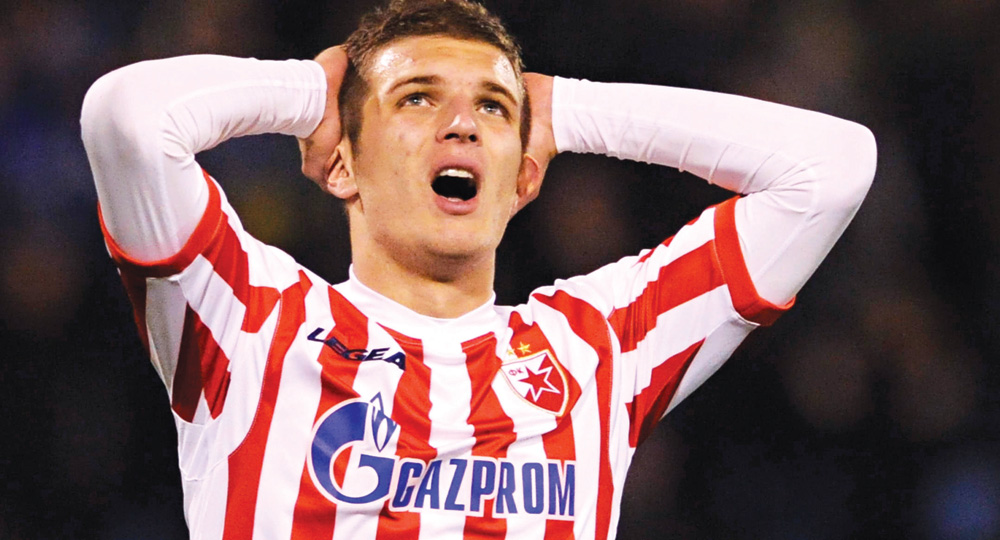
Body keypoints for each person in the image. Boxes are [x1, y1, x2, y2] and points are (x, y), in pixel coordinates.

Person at [80, 0, 876, 538]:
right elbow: (128, 120)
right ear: (343, 163)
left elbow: (831, 170)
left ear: (523, 177)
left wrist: (569, 109)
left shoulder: (596, 347)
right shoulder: (250, 320)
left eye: (492, 106)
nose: (461, 123)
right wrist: (313, 91)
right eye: (417, 99)